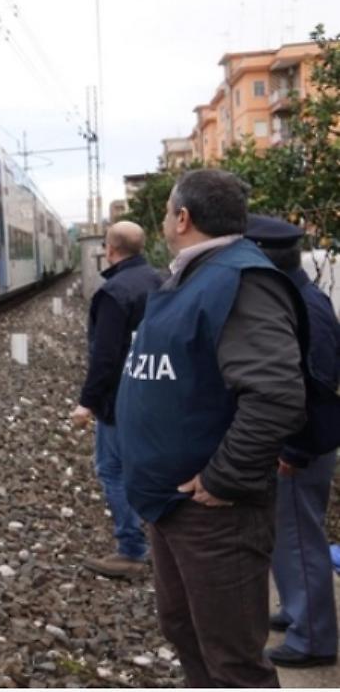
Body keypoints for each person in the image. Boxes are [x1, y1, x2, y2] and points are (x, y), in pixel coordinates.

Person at [115, 169, 307, 687]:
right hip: (172, 504)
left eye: (165, 212)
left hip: (213, 513)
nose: (162, 221)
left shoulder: (240, 282)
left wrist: (223, 478)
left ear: (182, 218)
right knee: (186, 631)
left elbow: (275, 395)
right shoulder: (196, 275)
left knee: (233, 661)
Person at [244, 214, 339, 669]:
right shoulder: (296, 297)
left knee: (300, 538)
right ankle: (299, 610)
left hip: (301, 446)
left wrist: (295, 448)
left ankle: (313, 638)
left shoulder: (304, 306)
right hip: (296, 443)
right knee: (288, 536)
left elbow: (316, 383)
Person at [70, 221, 162, 578]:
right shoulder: (161, 280)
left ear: (109, 249)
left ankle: (132, 550)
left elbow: (105, 356)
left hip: (121, 398)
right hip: (156, 388)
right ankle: (162, 545)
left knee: (112, 469)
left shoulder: (113, 292)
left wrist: (87, 403)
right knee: (150, 466)